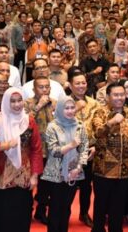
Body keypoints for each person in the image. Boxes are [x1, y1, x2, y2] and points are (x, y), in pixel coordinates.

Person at [0, 86, 44, 232]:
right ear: (5, 102)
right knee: (0, 214)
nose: (17, 105)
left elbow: (36, 149)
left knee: (21, 213)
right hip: (0, 175)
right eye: (13, 101)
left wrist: (35, 176)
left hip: (22, 174)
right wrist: (5, 145)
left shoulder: (29, 121)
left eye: (19, 101)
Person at [89, 82, 128, 232]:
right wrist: (111, 122)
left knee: (118, 208)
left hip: (124, 170)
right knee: (100, 207)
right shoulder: (100, 113)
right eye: (116, 95)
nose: (119, 98)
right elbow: (97, 134)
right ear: (107, 97)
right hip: (103, 170)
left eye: (122, 94)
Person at [42, 96, 88, 232]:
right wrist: (71, 145)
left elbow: (84, 148)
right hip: (56, 174)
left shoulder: (80, 125)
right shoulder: (52, 127)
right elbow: (54, 151)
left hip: (74, 173)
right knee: (55, 207)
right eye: (66, 108)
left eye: (72, 107)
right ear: (60, 109)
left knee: (66, 207)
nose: (70, 111)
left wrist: (78, 168)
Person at [67, 68, 99, 227]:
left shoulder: (94, 103)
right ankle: (63, 214)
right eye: (77, 83)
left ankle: (84, 213)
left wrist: (95, 147)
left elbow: (99, 128)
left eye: (83, 83)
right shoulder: (64, 103)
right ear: (70, 86)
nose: (81, 86)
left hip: (90, 151)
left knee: (87, 186)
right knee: (68, 185)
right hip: (70, 151)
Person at [25, 76, 55, 224]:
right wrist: (38, 106)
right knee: (29, 184)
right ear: (34, 89)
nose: (44, 89)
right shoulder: (27, 103)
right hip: (33, 151)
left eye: (47, 87)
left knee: (46, 185)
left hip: (51, 151)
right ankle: (26, 210)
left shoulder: (54, 103)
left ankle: (41, 211)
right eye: (41, 87)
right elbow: (24, 123)